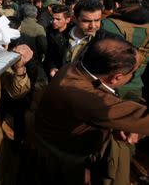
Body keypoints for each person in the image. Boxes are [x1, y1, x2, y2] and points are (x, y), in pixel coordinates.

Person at [25, 37, 149, 185]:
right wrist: (131, 123)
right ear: (116, 78)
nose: (133, 77)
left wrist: (127, 125)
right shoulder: (85, 97)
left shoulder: (76, 68)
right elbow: (141, 118)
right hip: (66, 160)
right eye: (133, 74)